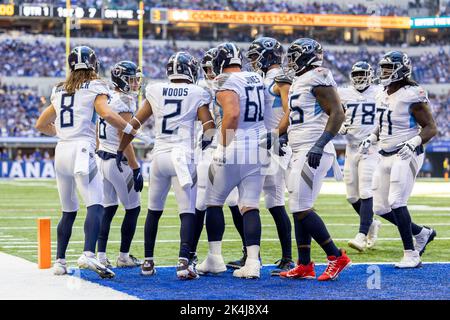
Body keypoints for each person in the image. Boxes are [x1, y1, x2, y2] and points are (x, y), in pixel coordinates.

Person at [35, 46, 139, 278]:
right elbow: (107, 114)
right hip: (82, 149)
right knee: (96, 204)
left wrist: (62, 133)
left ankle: (60, 261)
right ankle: (88, 253)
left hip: (61, 150)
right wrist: (130, 128)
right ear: (93, 65)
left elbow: (41, 124)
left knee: (68, 209)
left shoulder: (59, 89)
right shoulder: (95, 86)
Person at [116, 52, 215, 280]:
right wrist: (205, 148)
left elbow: (133, 125)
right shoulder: (197, 92)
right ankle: (183, 262)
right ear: (190, 69)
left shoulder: (156, 89)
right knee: (187, 210)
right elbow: (209, 126)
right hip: (182, 156)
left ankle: (148, 262)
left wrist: (120, 150)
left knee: (154, 210)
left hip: (159, 157)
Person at [278, 38, 352, 281]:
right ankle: (305, 264)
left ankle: (335, 256)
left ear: (307, 56)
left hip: (313, 148)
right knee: (300, 206)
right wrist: (282, 138)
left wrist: (320, 143)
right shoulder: (300, 80)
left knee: (299, 207)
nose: (291, 61)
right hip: (299, 148)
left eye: (295, 55)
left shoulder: (318, 75)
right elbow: (300, 117)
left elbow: (337, 112)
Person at [360, 51, 437, 268]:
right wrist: (372, 136)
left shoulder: (411, 94)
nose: (383, 73)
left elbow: (431, 127)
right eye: (382, 68)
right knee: (381, 207)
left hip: (406, 153)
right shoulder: (383, 93)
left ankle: (411, 254)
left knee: (396, 201)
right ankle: (421, 233)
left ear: (401, 70)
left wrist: (414, 142)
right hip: (384, 154)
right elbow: (383, 122)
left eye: (388, 69)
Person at [196, 42, 267, 279]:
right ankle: (253, 262)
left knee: (213, 201)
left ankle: (215, 258)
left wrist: (223, 147)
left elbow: (233, 114)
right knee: (249, 205)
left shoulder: (224, 81)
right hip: (258, 148)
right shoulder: (256, 78)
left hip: (236, 147)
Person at [245, 37, 294, 275]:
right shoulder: (263, 78)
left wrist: (277, 134)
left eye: (255, 56)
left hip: (273, 148)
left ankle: (287, 257)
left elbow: (290, 111)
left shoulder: (279, 78)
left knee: (273, 203)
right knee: (249, 202)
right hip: (261, 146)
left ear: (268, 55)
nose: (253, 61)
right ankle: (253, 255)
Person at [192, 48, 241, 268]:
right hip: (214, 145)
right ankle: (249, 255)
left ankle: (197, 255)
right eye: (207, 69)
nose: (210, 73)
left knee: (211, 202)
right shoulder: (206, 88)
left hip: (221, 146)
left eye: (213, 68)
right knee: (227, 202)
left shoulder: (226, 86)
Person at [96, 61, 144, 268]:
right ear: (122, 79)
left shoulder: (106, 98)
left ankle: (100, 256)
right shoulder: (124, 101)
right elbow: (124, 139)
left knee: (108, 209)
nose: (135, 84)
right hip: (119, 163)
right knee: (133, 209)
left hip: (102, 159)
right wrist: (135, 167)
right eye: (132, 79)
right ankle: (124, 257)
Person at [337, 61, 383, 252]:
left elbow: (386, 117)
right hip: (351, 147)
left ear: (370, 74)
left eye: (363, 73)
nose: (359, 77)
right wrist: (340, 122)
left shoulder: (379, 92)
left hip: (371, 147)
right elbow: (332, 110)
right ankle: (371, 224)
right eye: (356, 74)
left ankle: (362, 235)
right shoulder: (344, 93)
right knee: (351, 196)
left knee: (365, 191)